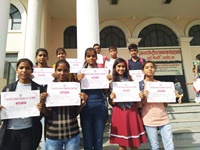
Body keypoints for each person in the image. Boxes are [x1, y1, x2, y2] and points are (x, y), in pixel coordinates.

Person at [0, 58, 47, 150]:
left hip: (29, 131)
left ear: (31, 70)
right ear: (16, 70)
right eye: (21, 68)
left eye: (27, 68)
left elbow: (41, 115)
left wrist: (42, 107)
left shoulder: (38, 89)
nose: (24, 70)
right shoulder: (8, 89)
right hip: (10, 131)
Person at [42, 59, 88, 150]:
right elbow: (47, 114)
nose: (62, 73)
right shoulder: (48, 88)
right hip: (53, 133)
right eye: (59, 70)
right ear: (55, 71)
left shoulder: (74, 88)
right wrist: (42, 104)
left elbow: (75, 113)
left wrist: (83, 103)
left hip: (72, 132)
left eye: (65, 70)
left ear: (69, 71)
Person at [109, 58, 147, 150]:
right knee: (122, 143)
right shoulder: (111, 82)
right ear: (115, 67)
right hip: (119, 111)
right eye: (118, 66)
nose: (121, 68)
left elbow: (136, 97)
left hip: (131, 111)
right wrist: (112, 98)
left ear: (126, 68)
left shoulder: (131, 80)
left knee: (134, 142)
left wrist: (139, 95)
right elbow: (112, 102)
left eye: (123, 66)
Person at [139, 61, 176, 150]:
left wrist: (171, 96)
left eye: (152, 67)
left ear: (155, 69)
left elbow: (165, 103)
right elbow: (139, 105)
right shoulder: (140, 85)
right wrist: (142, 97)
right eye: (147, 67)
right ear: (143, 70)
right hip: (149, 118)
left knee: (169, 144)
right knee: (154, 145)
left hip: (163, 116)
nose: (150, 69)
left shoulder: (160, 84)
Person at [77, 48, 108, 150]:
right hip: (86, 107)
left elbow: (105, 92)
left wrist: (108, 82)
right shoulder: (80, 72)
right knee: (87, 138)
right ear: (85, 58)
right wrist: (77, 81)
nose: (91, 58)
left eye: (93, 56)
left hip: (100, 106)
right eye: (88, 56)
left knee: (98, 138)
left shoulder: (102, 72)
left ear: (97, 57)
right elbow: (76, 91)